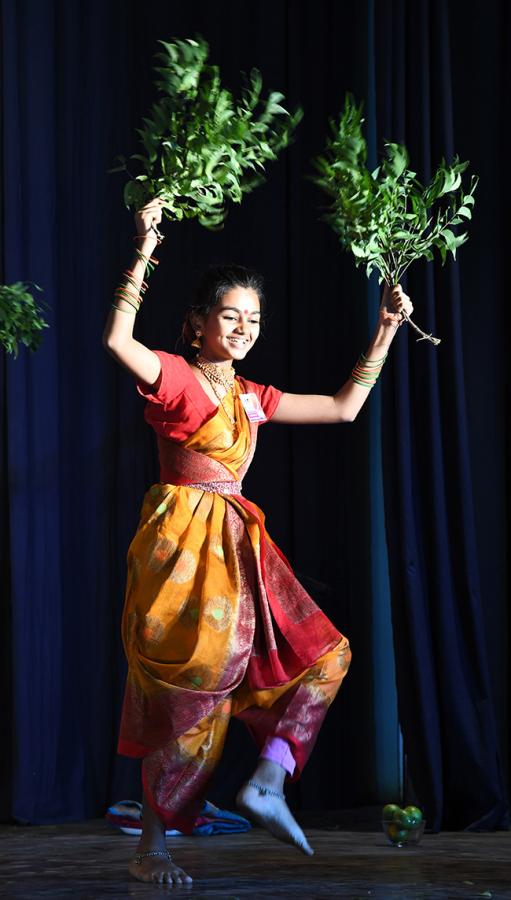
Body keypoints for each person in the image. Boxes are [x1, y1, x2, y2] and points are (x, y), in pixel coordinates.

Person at [103, 199, 413, 887]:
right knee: (187, 692)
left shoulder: (251, 395)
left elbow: (343, 408)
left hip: (241, 550)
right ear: (197, 323)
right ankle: (151, 845)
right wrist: (145, 248)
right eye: (229, 315)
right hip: (182, 552)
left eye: (253, 318)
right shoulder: (177, 377)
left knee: (328, 656)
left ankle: (268, 781)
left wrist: (386, 329)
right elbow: (118, 344)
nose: (243, 328)